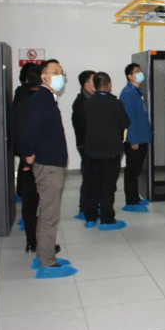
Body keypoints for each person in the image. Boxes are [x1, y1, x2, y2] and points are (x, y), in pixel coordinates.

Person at [21, 59, 76, 277]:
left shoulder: (48, 99)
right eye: (55, 72)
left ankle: (43, 255)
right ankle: (47, 262)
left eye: (61, 72)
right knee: (49, 213)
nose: (60, 75)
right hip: (48, 165)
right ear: (44, 77)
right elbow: (28, 131)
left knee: (47, 211)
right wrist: (28, 154)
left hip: (52, 162)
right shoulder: (40, 100)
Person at [83, 72, 130, 230]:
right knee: (108, 186)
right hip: (111, 150)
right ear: (109, 85)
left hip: (91, 149)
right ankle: (107, 219)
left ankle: (90, 217)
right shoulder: (115, 103)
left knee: (92, 184)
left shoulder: (88, 103)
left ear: (95, 86)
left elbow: (84, 123)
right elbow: (125, 122)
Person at [11, 64, 42, 252]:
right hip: (37, 158)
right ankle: (37, 241)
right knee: (39, 202)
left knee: (30, 202)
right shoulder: (36, 103)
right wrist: (27, 157)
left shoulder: (20, 98)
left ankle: (32, 241)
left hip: (27, 156)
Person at [120, 63, 152, 212]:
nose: (140, 73)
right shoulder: (127, 93)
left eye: (140, 70)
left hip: (142, 136)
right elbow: (129, 119)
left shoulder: (138, 91)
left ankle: (135, 197)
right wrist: (133, 140)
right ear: (130, 76)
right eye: (137, 71)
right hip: (135, 139)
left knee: (137, 169)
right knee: (132, 170)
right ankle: (131, 201)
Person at [71, 70, 95, 219]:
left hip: (93, 144)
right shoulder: (81, 102)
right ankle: (84, 208)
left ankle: (92, 205)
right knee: (89, 177)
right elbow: (84, 126)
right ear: (86, 84)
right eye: (94, 80)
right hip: (86, 145)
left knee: (94, 177)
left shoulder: (93, 99)